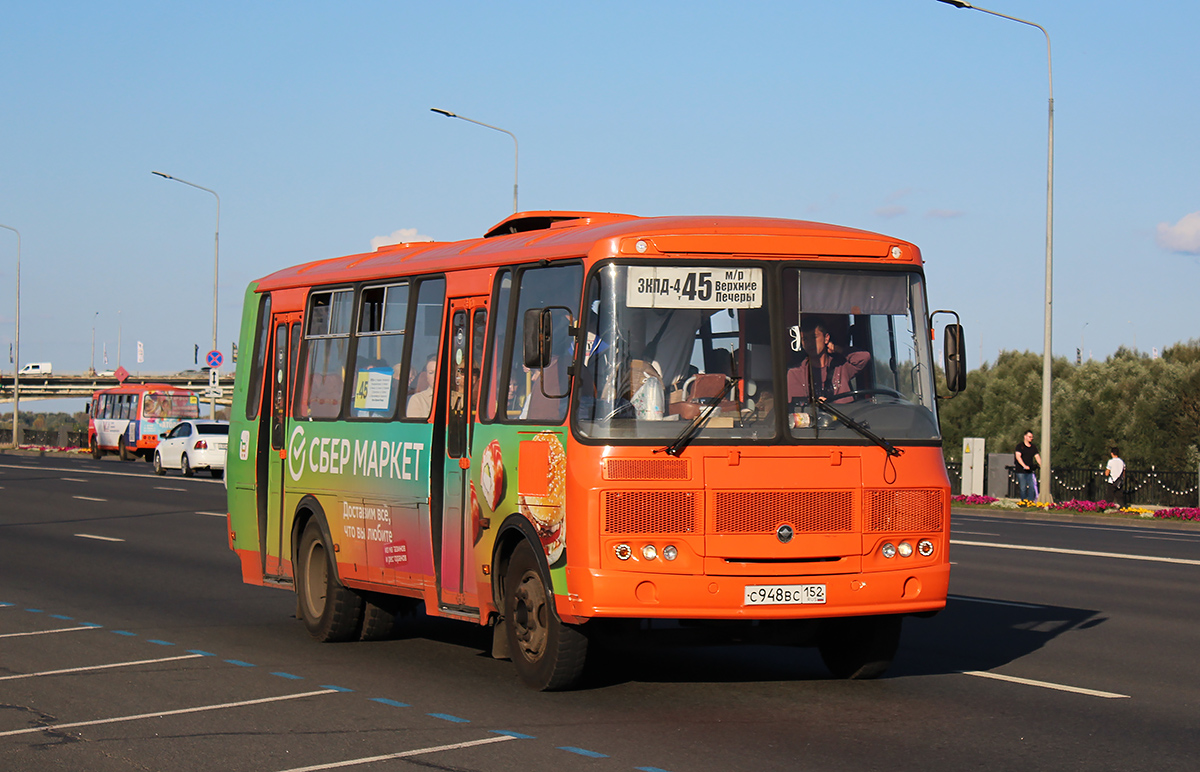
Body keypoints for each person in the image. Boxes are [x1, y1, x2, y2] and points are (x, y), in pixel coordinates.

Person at [786, 317, 870, 404]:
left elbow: (864, 357)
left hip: (846, 416)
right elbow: (797, 407)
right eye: (805, 339)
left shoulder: (841, 366)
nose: (810, 343)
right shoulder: (795, 373)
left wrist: (836, 348)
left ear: (826, 338)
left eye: (814, 337)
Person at [1014, 430, 1041, 501]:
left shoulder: (1033, 447)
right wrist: (1024, 465)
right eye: (1029, 437)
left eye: (1032, 437)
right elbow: (1018, 457)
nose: (1031, 438)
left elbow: (1037, 457)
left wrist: (1041, 465)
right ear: (1025, 437)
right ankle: (1024, 501)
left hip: (1030, 471)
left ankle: (1031, 501)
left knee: (1032, 486)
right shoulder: (1020, 446)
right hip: (1021, 470)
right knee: (1023, 487)